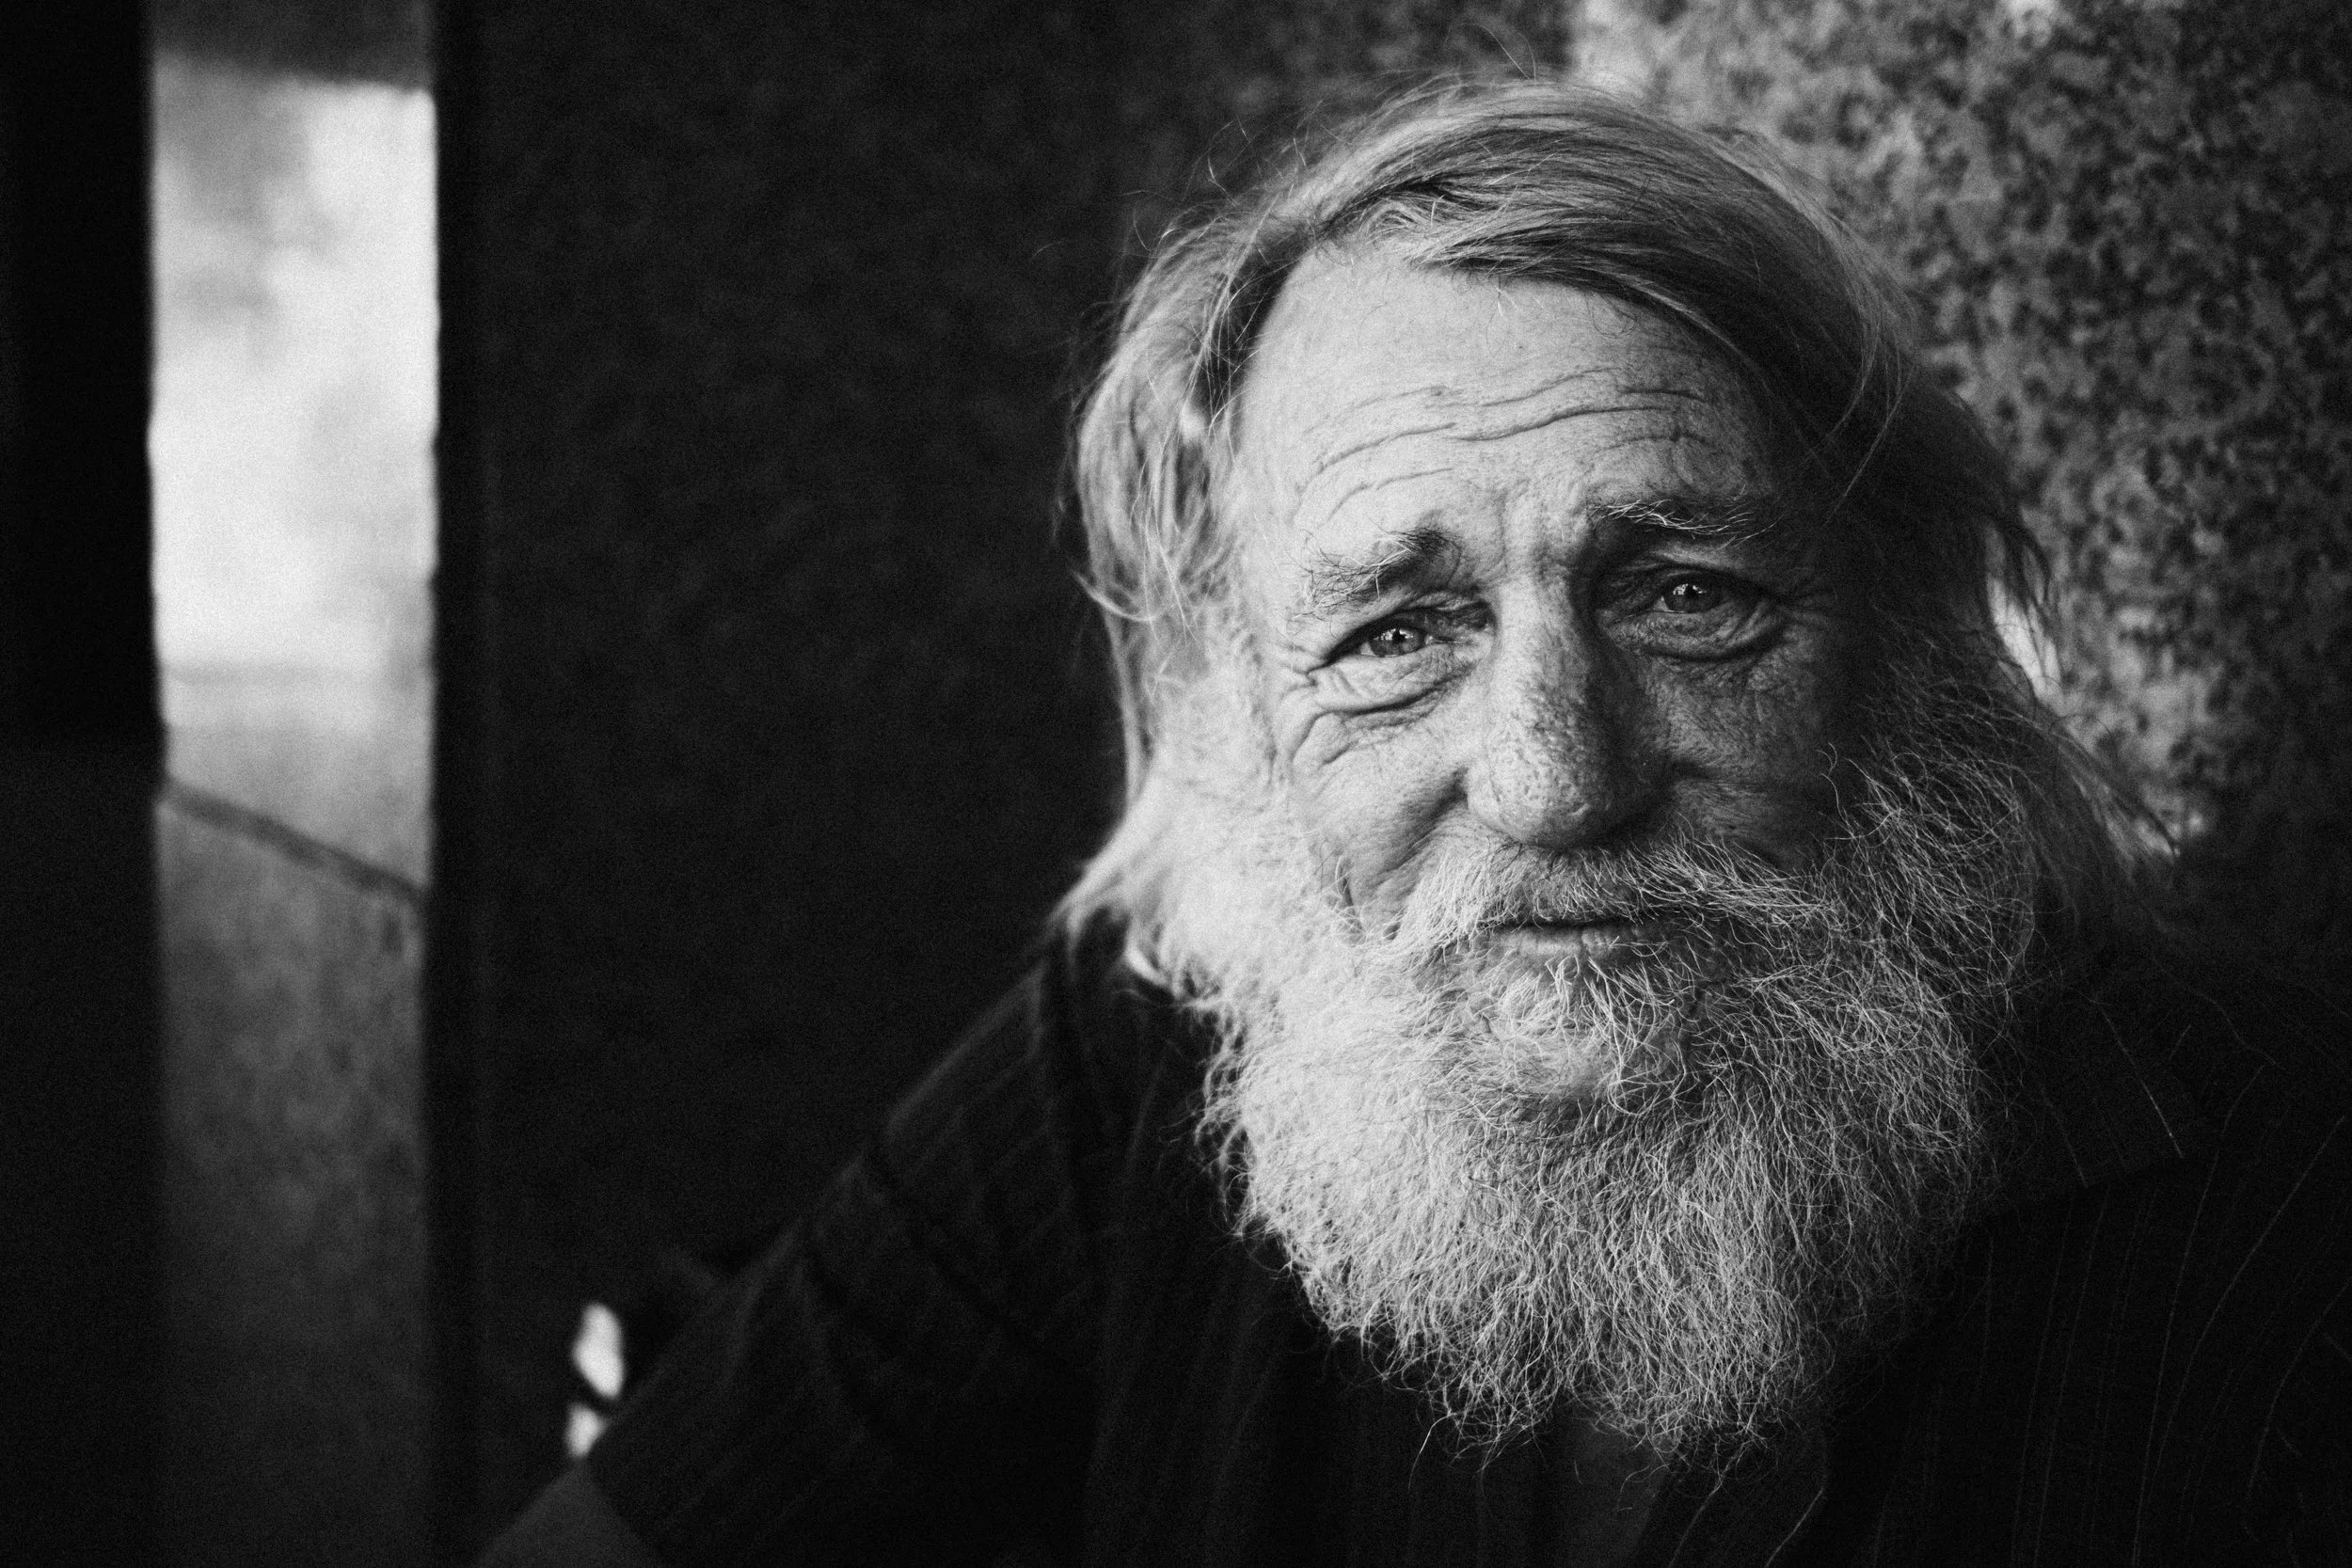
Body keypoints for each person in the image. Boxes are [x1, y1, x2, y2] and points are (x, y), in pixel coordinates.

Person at [484, 82, 2352, 1566]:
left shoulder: (2283, 1222)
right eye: (1392, 632)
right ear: (1234, 700)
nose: (1550, 777)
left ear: (1902, 636)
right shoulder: (1145, 1051)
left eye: (1685, 595)